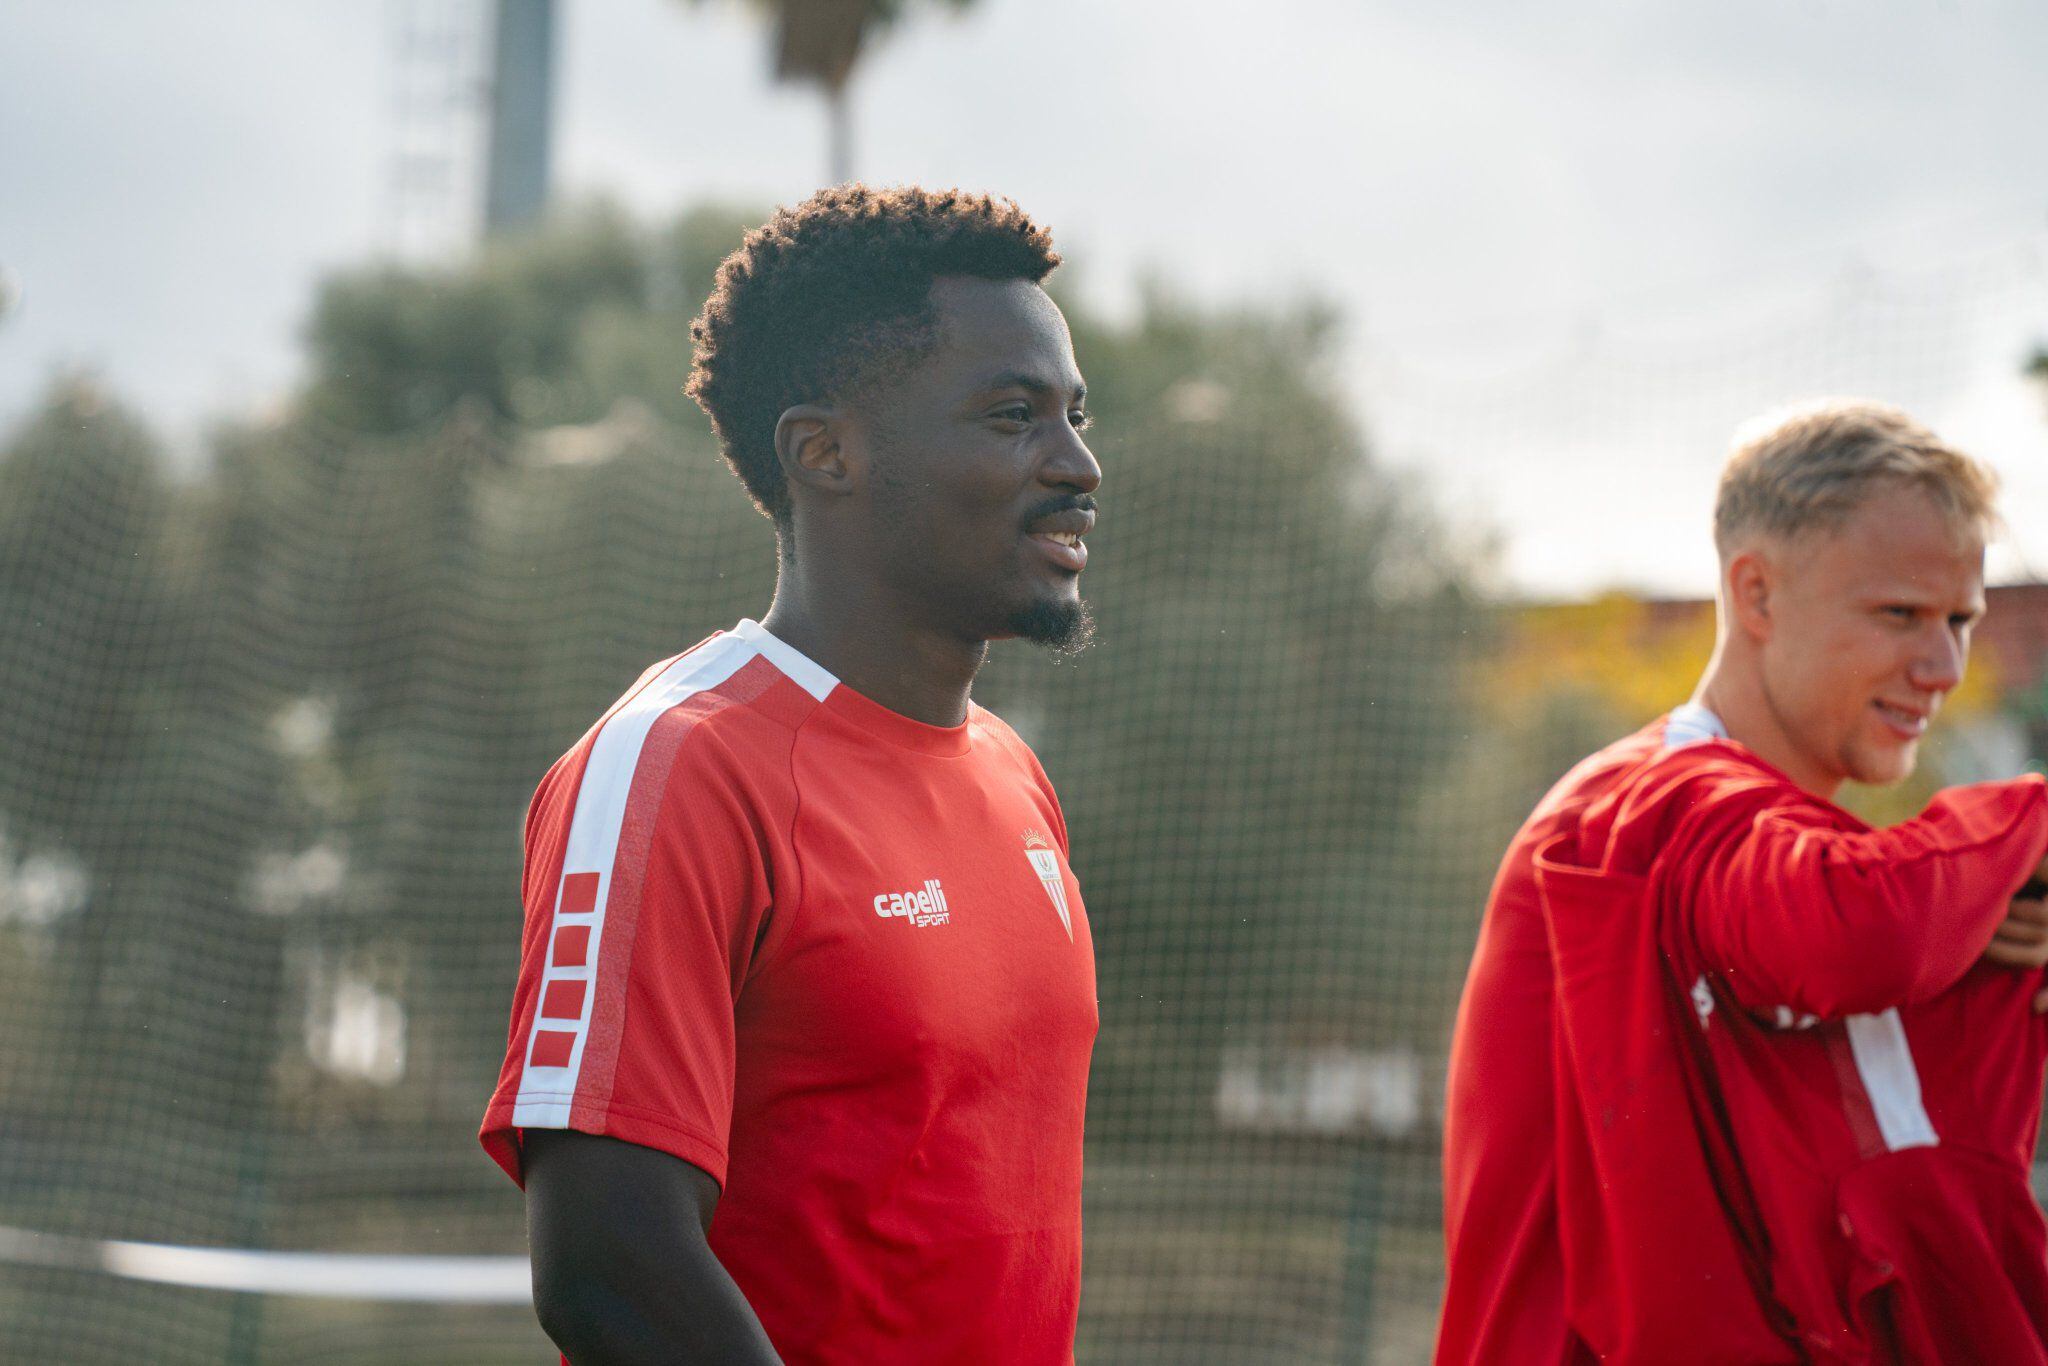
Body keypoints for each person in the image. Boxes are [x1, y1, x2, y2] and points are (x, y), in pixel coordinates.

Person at [479, 185, 1103, 1365]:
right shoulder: (677, 764)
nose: (1078, 464)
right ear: (825, 452)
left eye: (1075, 414)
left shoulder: (1014, 777)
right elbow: (607, 1266)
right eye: (1012, 415)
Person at [1437, 401, 2048, 1364]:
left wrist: (1997, 946)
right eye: (1900, 614)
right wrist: (2027, 824)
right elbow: (1854, 933)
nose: (1943, 666)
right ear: (1757, 595)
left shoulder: (1811, 848)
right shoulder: (1629, 810)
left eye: (1961, 619)